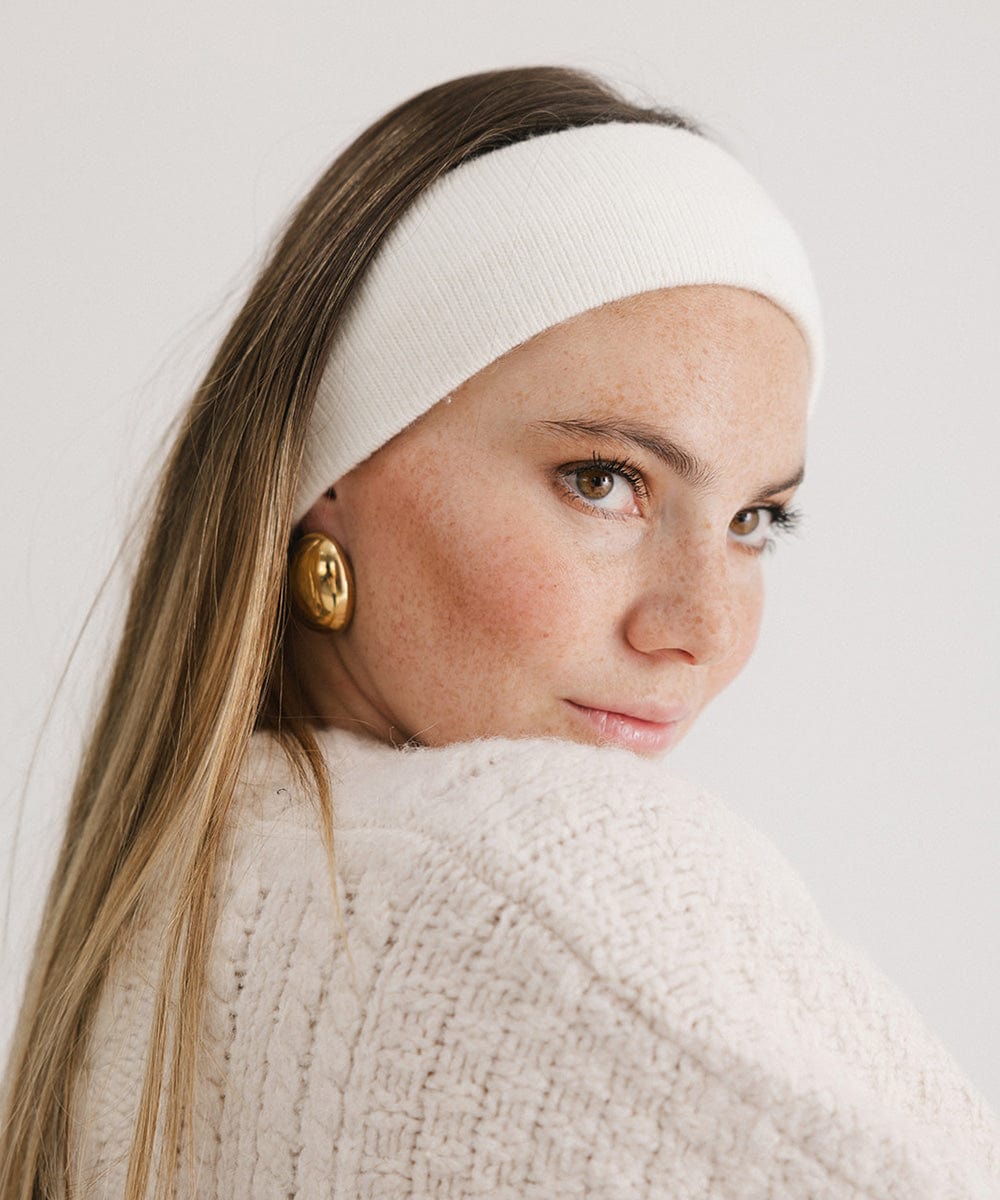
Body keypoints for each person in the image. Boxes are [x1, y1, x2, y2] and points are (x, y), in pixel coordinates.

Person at [1, 65, 997, 1200]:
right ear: (335, 474)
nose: (702, 628)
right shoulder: (561, 891)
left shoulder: (153, 938)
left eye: (754, 519)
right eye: (602, 479)